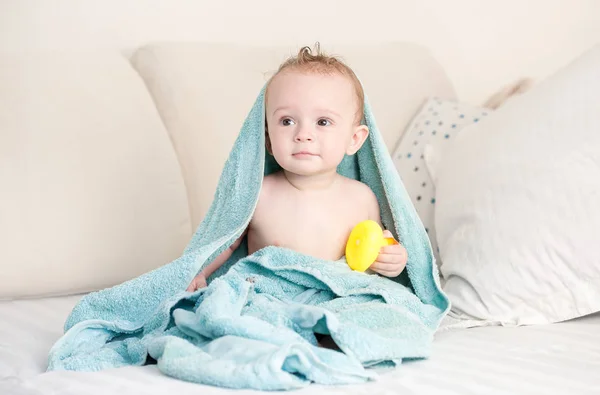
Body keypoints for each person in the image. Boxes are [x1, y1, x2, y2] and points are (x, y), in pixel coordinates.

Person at [187, 44, 407, 292]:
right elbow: (224, 243)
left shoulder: (362, 197)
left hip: (338, 298)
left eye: (323, 122)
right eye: (287, 121)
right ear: (268, 139)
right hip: (272, 298)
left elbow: (377, 246)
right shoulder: (258, 194)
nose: (303, 134)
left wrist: (393, 259)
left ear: (354, 139)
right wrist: (198, 272)